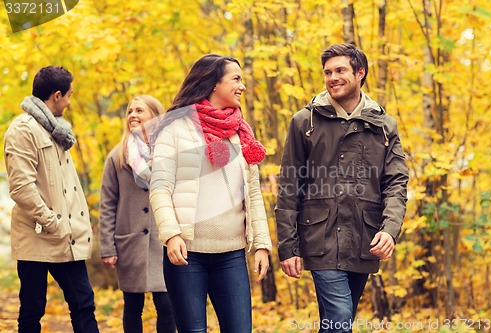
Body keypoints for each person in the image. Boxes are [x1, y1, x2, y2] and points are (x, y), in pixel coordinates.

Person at [275, 43, 409, 333]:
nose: (332, 77)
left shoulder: (384, 125)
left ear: (360, 73)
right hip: (319, 236)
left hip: (364, 237)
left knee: (336, 322)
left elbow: (396, 182)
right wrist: (287, 245)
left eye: (340, 70)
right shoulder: (304, 121)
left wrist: (389, 229)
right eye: (327, 72)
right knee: (340, 318)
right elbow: (289, 184)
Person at [149, 53, 273, 333]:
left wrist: (262, 243)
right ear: (214, 83)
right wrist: (171, 235)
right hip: (187, 253)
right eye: (236, 79)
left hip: (231, 254)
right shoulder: (176, 128)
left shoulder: (241, 132)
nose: (242, 86)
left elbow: (252, 193)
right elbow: (160, 187)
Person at [3, 66, 100, 333]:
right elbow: (22, 188)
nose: (69, 102)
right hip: (38, 235)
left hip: (64, 237)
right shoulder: (22, 130)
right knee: (33, 309)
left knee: (83, 303)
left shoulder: (57, 131)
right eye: (69, 95)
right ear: (57, 96)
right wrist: (54, 223)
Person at [99, 95, 177, 333]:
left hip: (164, 241)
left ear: (155, 116)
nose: (132, 115)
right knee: (133, 305)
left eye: (139, 111)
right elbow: (107, 203)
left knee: (166, 304)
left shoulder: (170, 153)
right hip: (130, 242)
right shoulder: (117, 156)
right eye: (129, 111)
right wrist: (107, 247)